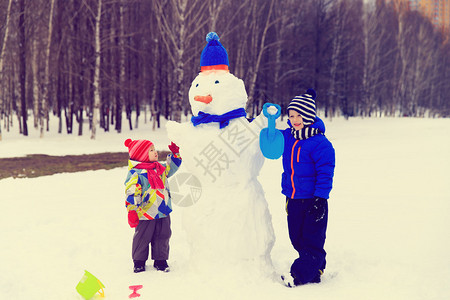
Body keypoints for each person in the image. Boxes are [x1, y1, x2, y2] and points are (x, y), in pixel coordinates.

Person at [277, 89, 335, 287]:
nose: (295, 120)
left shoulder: (320, 144)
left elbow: (326, 172)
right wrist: (260, 122)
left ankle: (300, 274)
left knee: (311, 238)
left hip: (313, 200)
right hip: (293, 198)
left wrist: (321, 198)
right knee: (297, 237)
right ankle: (316, 266)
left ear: (309, 115)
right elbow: (271, 139)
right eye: (291, 115)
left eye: (299, 115)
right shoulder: (288, 137)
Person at [124, 139, 181, 273]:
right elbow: (132, 191)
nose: (155, 152)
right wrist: (132, 210)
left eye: (154, 149)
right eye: (151, 150)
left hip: (162, 210)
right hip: (145, 212)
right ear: (141, 154)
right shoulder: (136, 173)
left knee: (163, 235)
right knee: (142, 236)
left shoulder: (160, 168)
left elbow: (171, 167)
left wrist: (175, 154)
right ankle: (139, 261)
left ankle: (160, 260)